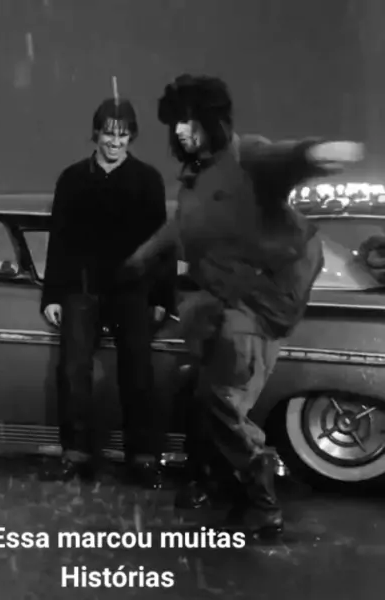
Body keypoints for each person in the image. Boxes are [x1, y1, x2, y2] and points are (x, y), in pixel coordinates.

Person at [124, 74, 364, 536]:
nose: (180, 131)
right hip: (229, 297)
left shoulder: (245, 157)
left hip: (263, 298)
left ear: (212, 121)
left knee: (220, 398)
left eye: (189, 121)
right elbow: (181, 227)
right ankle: (221, 482)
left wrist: (313, 155)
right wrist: (140, 259)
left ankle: (262, 499)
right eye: (175, 123)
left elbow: (281, 159)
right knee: (199, 390)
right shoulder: (197, 179)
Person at [41, 97, 175, 488]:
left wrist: (162, 299)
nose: (115, 142)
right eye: (108, 134)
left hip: (132, 291)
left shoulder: (147, 180)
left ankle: (143, 458)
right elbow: (59, 240)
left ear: (132, 136)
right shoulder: (72, 178)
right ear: (96, 133)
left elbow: (161, 245)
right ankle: (76, 454)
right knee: (73, 372)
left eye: (123, 135)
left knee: (138, 374)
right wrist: (52, 296)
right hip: (82, 290)